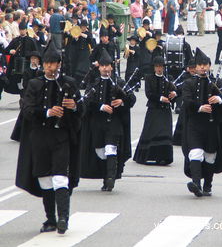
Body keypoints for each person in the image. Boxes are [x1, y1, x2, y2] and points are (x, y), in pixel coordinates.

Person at [15, 44, 83, 234]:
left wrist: (75, 106)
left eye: (53, 63)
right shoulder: (34, 84)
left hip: (61, 136)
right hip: (40, 138)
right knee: (45, 179)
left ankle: (63, 218)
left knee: (60, 178)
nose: (50, 67)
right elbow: (27, 110)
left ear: (59, 64)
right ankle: (50, 219)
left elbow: (82, 110)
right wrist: (47, 112)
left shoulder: (69, 83)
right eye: (47, 64)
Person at [80, 48, 135, 191]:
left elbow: (132, 99)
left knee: (111, 149)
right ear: (99, 68)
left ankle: (110, 179)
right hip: (97, 124)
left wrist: (122, 102)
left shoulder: (120, 82)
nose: (105, 68)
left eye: (108, 65)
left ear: (111, 66)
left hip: (114, 124)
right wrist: (101, 106)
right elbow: (86, 102)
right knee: (100, 152)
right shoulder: (94, 84)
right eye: (103, 66)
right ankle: (105, 177)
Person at [182, 48, 222, 197]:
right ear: (195, 67)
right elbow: (186, 100)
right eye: (200, 64)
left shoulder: (216, 82)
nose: (203, 67)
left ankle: (207, 185)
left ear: (209, 66)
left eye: (205, 64)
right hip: (195, 125)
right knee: (196, 153)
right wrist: (199, 107)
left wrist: (219, 99)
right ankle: (196, 184)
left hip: (212, 125)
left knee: (210, 156)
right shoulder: (188, 83)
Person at [134, 56, 176, 165]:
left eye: (161, 66)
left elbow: (174, 92)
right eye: (157, 66)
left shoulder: (168, 79)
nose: (159, 69)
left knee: (165, 132)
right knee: (151, 131)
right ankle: (147, 156)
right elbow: (149, 94)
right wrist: (161, 98)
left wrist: (173, 94)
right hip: (154, 109)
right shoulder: (149, 78)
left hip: (165, 110)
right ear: (154, 67)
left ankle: (163, 157)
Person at [4, 21, 39, 95]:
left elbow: (36, 52)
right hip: (16, 65)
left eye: (23, 29)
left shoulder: (31, 40)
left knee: (27, 81)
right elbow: (6, 50)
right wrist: (11, 51)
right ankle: (21, 94)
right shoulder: (15, 40)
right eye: (20, 30)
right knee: (18, 82)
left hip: (27, 64)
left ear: (26, 30)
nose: (21, 31)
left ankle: (25, 95)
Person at [172, 59, 197, 146]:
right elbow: (179, 87)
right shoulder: (184, 76)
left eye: (194, 68)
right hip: (186, 103)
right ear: (188, 69)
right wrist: (175, 92)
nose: (193, 70)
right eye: (191, 68)